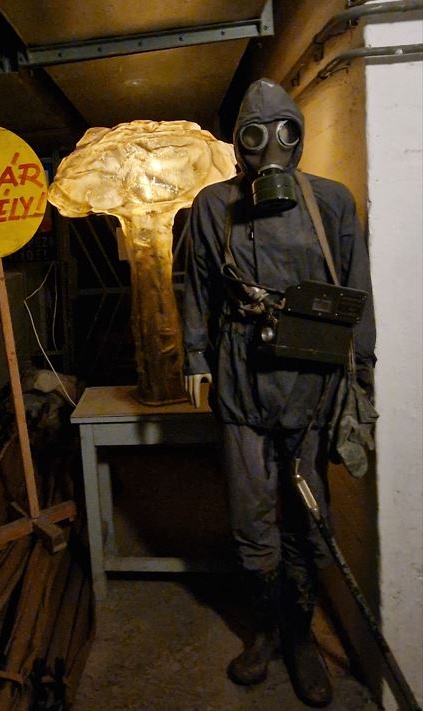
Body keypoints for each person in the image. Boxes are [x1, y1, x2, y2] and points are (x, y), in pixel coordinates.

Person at [182, 77, 376, 707]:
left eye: (283, 132)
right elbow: (198, 284)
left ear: (299, 137)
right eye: (254, 134)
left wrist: (363, 369)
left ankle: (300, 637)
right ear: (238, 143)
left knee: (307, 515)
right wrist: (194, 356)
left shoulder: (332, 203)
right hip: (240, 380)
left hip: (310, 385)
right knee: (251, 515)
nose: (269, 146)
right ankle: (264, 631)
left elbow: (356, 289)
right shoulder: (214, 205)